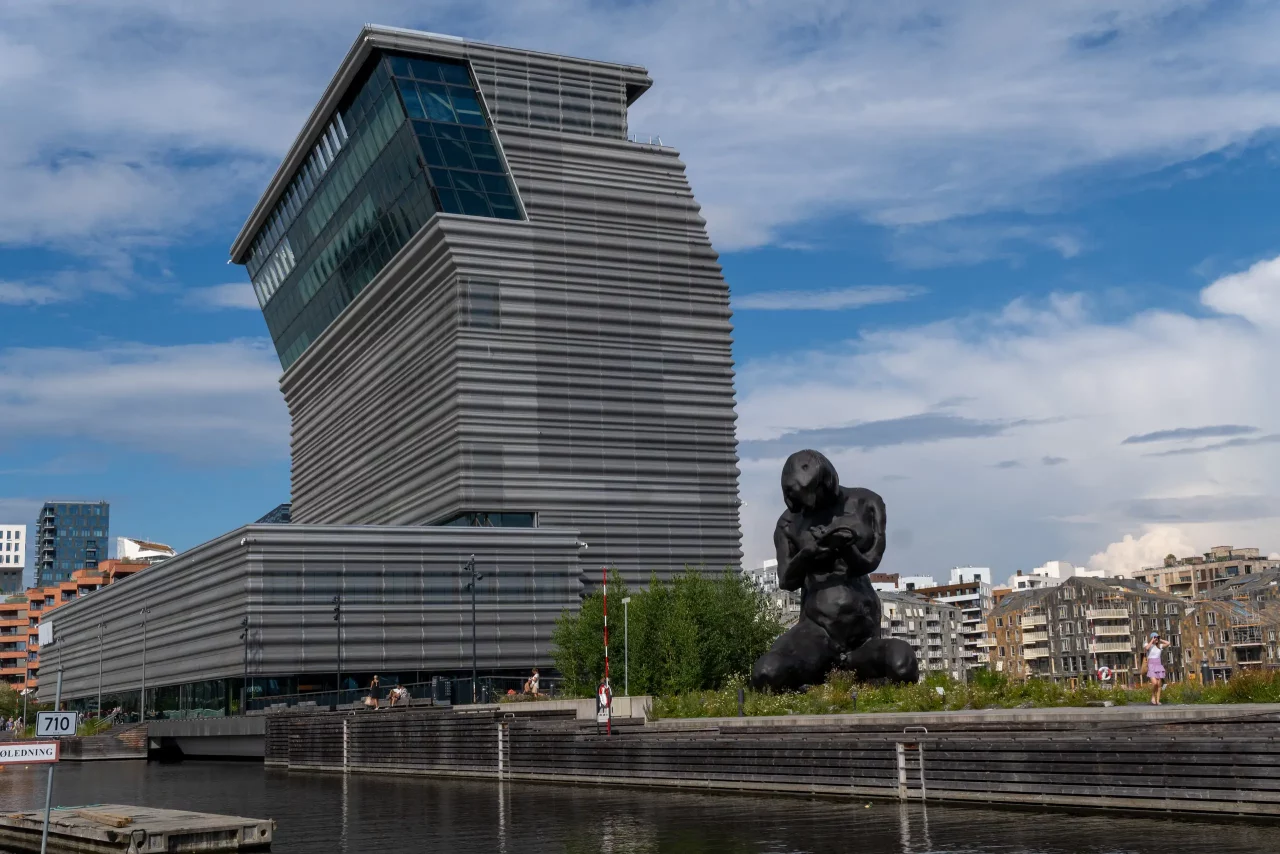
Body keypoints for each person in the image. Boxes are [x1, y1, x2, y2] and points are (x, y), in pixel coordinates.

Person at [1144, 631, 1170, 705]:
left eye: (1157, 638)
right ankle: (1153, 696)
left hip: (1158, 665)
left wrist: (1160, 639)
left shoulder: (1160, 646)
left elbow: (1168, 643)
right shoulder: (1148, 645)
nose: (1156, 639)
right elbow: (1147, 648)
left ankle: (1157, 700)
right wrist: (1152, 640)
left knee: (1159, 685)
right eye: (1155, 637)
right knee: (1155, 683)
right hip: (1151, 665)